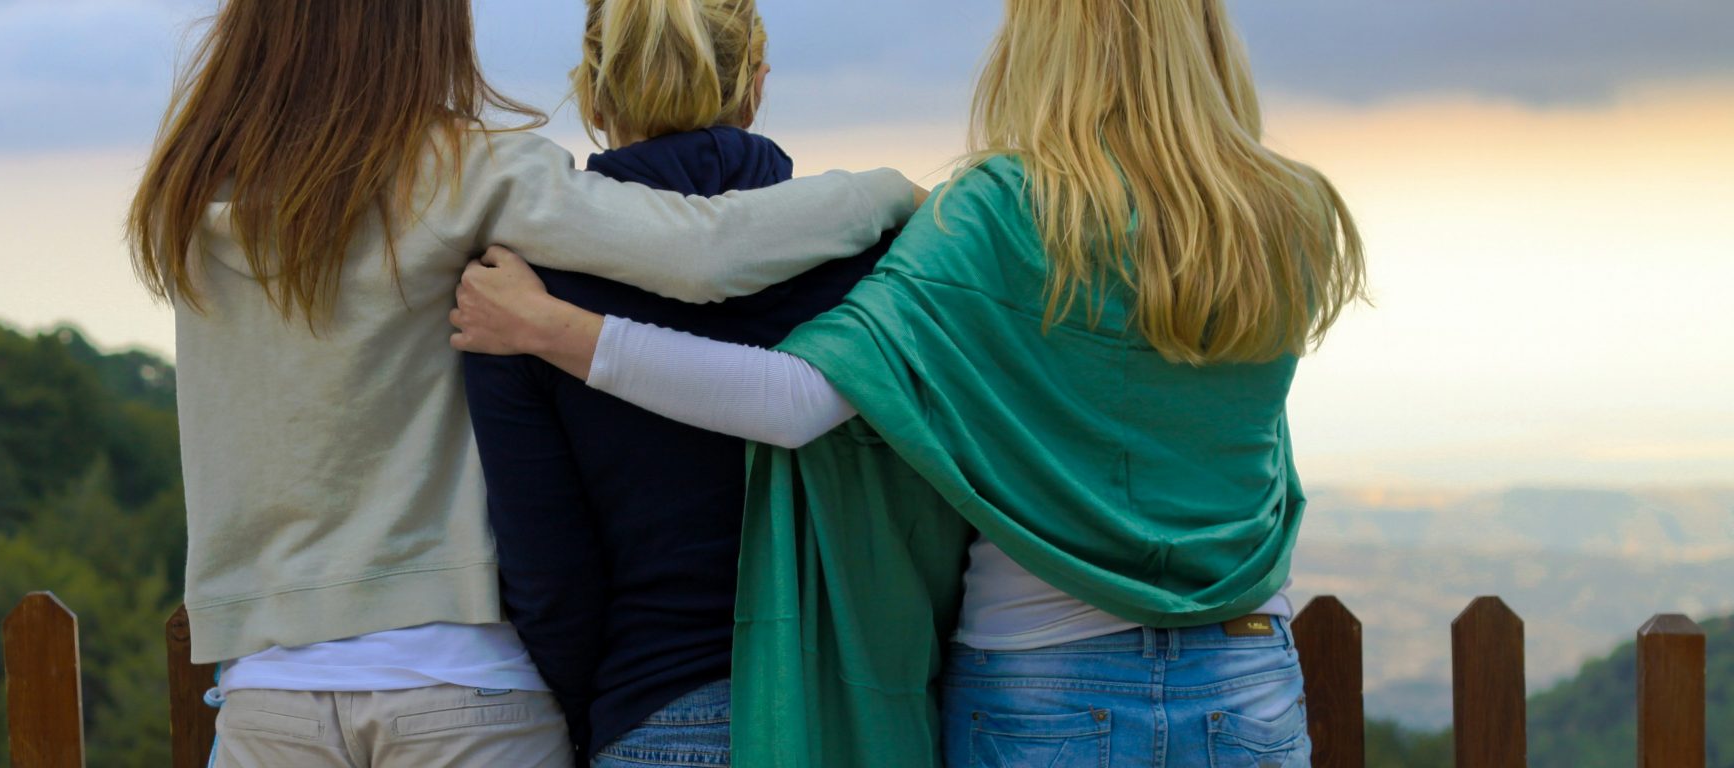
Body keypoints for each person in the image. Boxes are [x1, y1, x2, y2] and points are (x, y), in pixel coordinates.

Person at [445, 0, 1368, 765]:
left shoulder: (1001, 209)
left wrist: (555, 329)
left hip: (1041, 678)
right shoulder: (1291, 213)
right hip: (1247, 668)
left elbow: (799, 400)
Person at [124, 0, 920, 765]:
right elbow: (704, 253)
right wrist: (892, 192)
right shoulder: (463, 170)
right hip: (461, 677)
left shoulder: (186, 194)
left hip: (270, 689)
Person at [463, 1, 894, 765]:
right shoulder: (873, 259)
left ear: (593, 98)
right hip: (855, 710)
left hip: (653, 709)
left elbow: (549, 573)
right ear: (756, 86)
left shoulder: (522, 293)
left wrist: (591, 712)